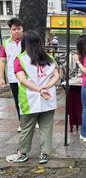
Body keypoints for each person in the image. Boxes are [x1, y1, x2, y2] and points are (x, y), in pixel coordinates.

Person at [5, 31, 59, 164]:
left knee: (26, 128)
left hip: (29, 99)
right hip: (48, 98)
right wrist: (46, 87)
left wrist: (39, 89)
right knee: (46, 127)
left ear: (25, 43)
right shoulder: (49, 58)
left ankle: (22, 153)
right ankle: (44, 154)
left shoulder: (20, 58)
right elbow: (56, 75)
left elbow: (22, 79)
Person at [0, 18, 23, 132]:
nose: (17, 31)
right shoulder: (6, 44)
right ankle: (22, 123)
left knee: (30, 98)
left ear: (22, 29)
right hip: (13, 77)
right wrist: (1, 77)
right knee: (18, 101)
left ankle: (35, 121)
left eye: (19, 29)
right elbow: (2, 61)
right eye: (14, 29)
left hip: (27, 77)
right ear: (10, 30)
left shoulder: (26, 41)